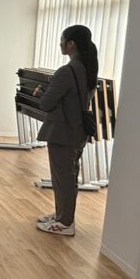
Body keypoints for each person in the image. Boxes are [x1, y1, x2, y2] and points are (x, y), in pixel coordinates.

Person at [33, 25, 98, 237]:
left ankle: (65, 222)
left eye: (62, 40)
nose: (60, 44)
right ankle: (62, 215)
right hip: (78, 131)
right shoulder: (88, 69)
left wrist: (40, 93)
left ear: (71, 44)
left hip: (63, 132)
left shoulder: (67, 71)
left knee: (63, 178)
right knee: (68, 176)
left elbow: (47, 103)